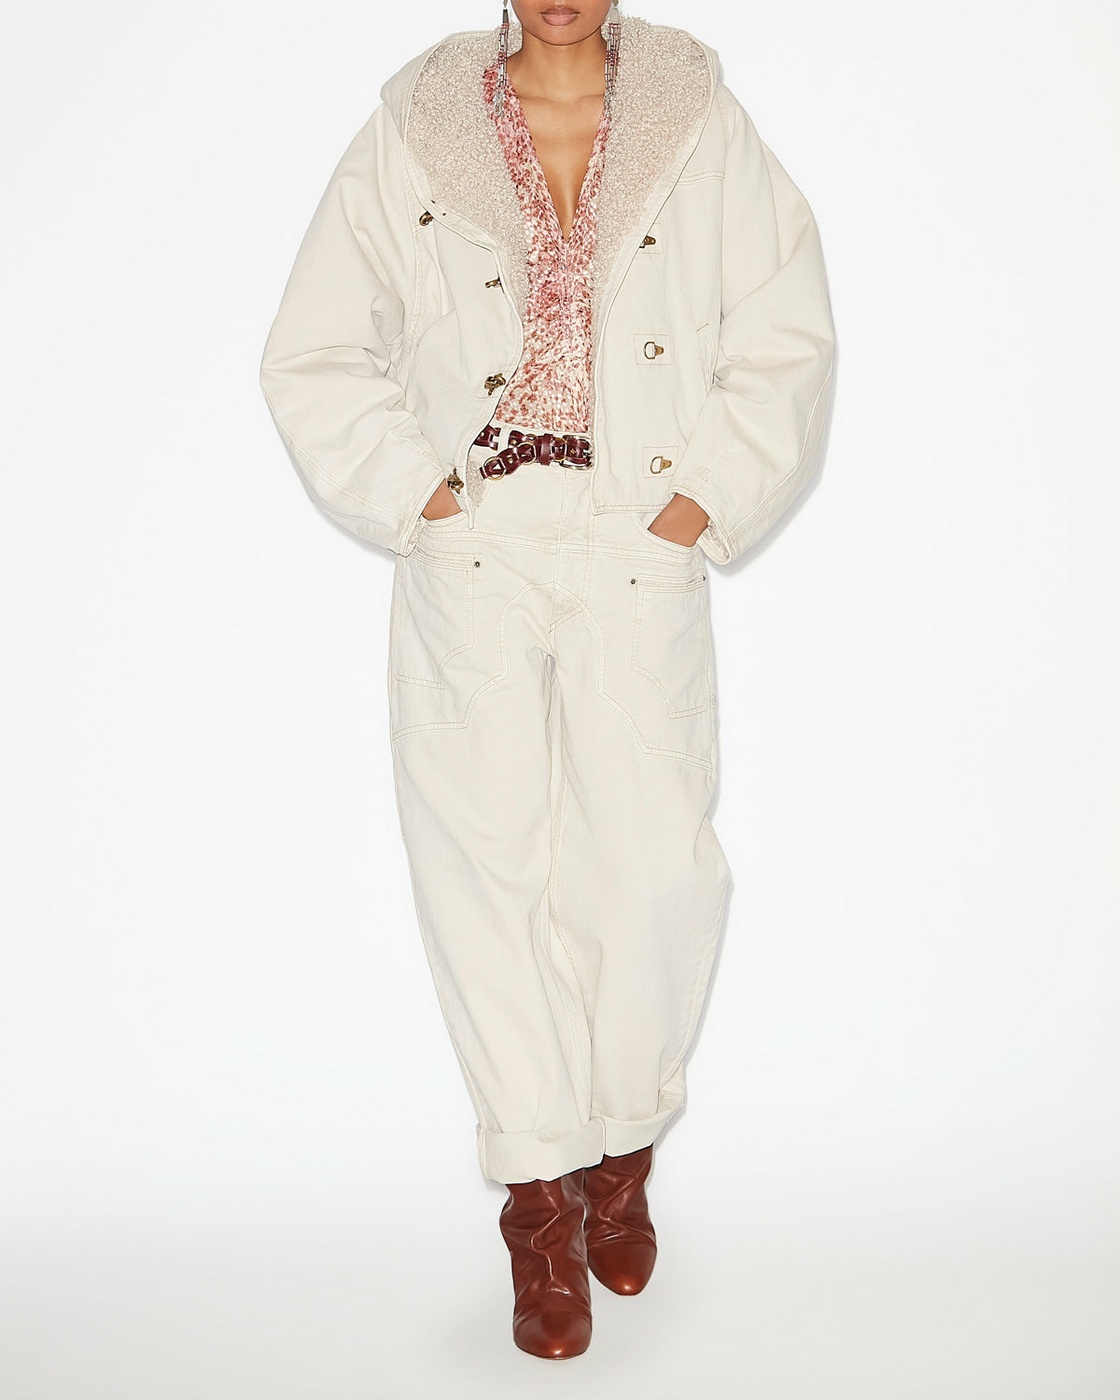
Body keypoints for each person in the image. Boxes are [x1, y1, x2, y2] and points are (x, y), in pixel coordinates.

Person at [258, 0, 835, 1360]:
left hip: (637, 527)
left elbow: (785, 327)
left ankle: (620, 1151)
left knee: (651, 866)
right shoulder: (417, 126)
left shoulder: (697, 119)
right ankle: (537, 1198)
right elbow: (314, 349)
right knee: (485, 865)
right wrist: (421, 495)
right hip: (479, 539)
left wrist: (702, 500)